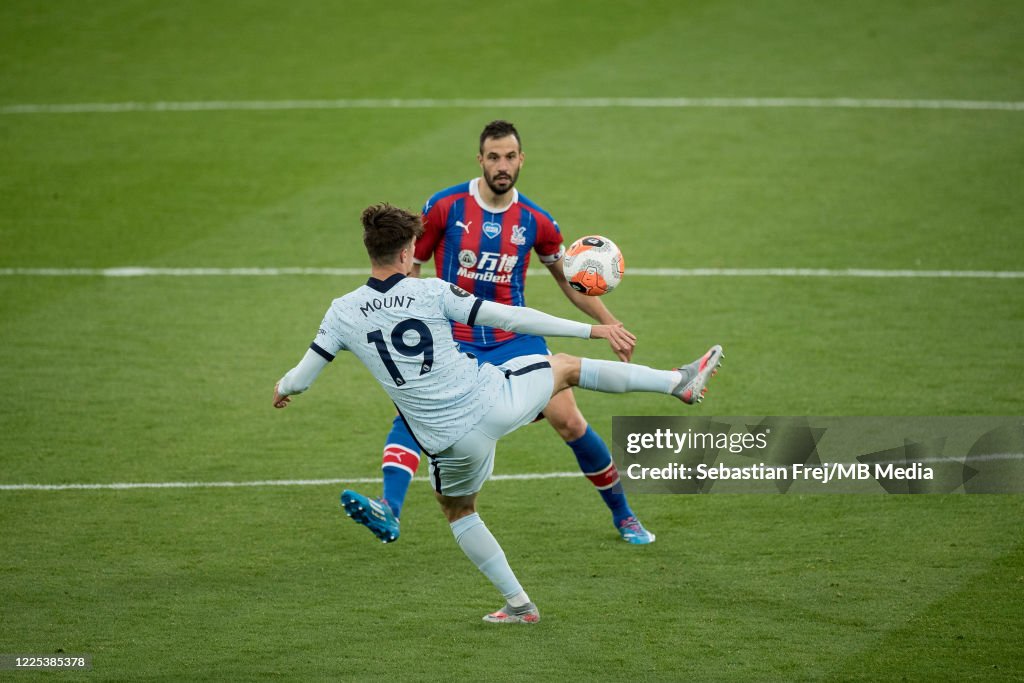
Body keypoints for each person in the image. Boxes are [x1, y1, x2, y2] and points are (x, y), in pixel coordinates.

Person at [273, 203, 723, 623]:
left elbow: (302, 378)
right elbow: (512, 319)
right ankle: (676, 383)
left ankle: (520, 605)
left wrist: (282, 389)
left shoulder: (342, 312)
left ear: (370, 250)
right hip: (495, 401)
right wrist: (595, 329)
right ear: (409, 251)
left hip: (449, 443)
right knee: (565, 368)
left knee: (459, 510)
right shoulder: (430, 292)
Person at [372, 120, 657, 546]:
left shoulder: (537, 222)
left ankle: (625, 516)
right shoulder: (445, 207)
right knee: (412, 417)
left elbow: (568, 280)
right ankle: (388, 508)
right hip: (457, 342)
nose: (501, 166)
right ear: (480, 160)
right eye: (493, 157)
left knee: (571, 422)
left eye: (509, 157)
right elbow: (414, 263)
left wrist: (610, 324)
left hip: (515, 340)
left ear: (521, 159)